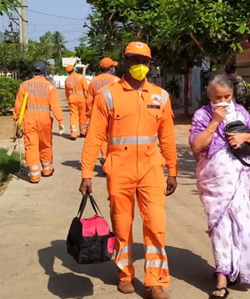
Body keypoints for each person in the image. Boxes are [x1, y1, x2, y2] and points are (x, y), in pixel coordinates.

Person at [79, 41, 177, 299]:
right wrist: (86, 173)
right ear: (125, 62)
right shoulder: (108, 95)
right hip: (119, 170)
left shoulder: (161, 96)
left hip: (151, 169)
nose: (139, 66)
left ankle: (155, 281)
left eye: (144, 61)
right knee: (122, 225)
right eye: (134, 60)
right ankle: (125, 274)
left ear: (149, 64)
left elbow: (167, 137)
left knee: (156, 224)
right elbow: (93, 137)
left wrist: (173, 170)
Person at [189, 74, 250, 299]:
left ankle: (243, 270)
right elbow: (196, 145)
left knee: (243, 224)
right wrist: (214, 122)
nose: (223, 101)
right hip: (214, 182)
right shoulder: (202, 115)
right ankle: (222, 275)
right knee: (221, 228)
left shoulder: (241, 112)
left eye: (227, 97)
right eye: (217, 97)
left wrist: (245, 137)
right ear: (209, 97)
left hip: (240, 179)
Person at [13, 62, 65, 183]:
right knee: (45, 145)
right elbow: (56, 106)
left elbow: (18, 104)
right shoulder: (50, 86)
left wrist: (16, 118)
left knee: (31, 146)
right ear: (45, 72)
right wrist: (60, 121)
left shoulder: (24, 85)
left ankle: (34, 176)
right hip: (45, 120)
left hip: (29, 120)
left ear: (33, 72)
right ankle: (47, 170)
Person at [86, 57, 120, 163]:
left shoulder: (93, 81)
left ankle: (105, 157)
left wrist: (89, 115)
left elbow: (89, 100)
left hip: (99, 111)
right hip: (115, 112)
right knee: (114, 136)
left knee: (102, 136)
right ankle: (112, 158)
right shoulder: (116, 80)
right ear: (110, 68)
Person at [64, 65, 88, 140]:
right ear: (74, 69)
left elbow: (66, 92)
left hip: (72, 99)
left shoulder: (67, 79)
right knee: (82, 115)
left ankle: (73, 134)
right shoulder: (81, 77)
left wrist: (69, 99)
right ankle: (83, 132)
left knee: (73, 116)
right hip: (81, 98)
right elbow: (86, 89)